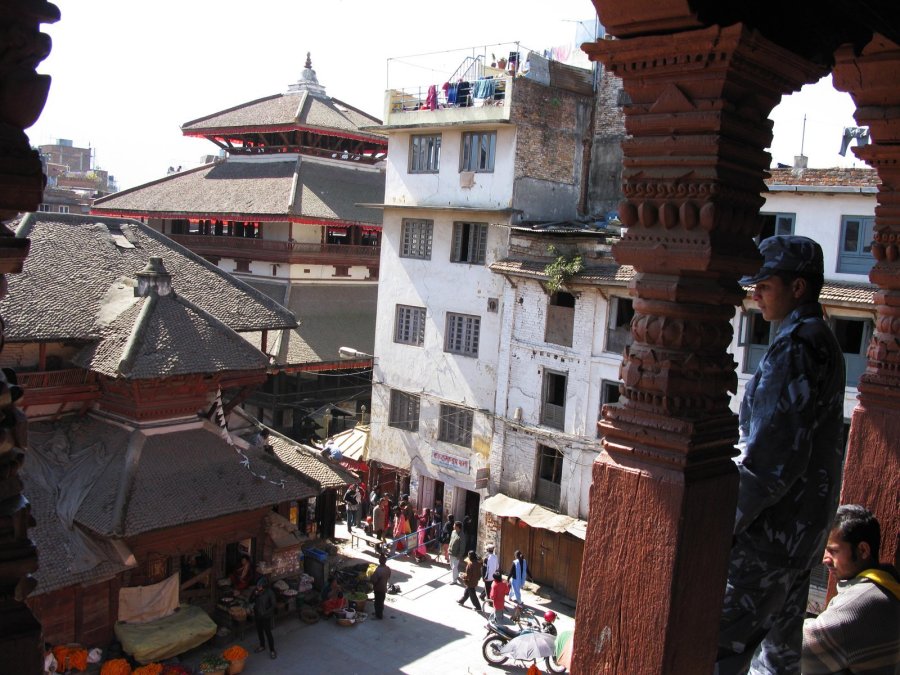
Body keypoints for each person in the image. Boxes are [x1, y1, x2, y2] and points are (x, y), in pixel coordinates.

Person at [716, 236, 847, 675]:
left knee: (714, 649)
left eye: (765, 286)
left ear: (797, 289)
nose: (755, 296)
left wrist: (721, 526)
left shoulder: (798, 347)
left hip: (769, 540)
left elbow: (770, 464)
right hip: (802, 535)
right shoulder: (821, 339)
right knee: (777, 660)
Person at [802, 505, 900, 674]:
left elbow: (800, 645)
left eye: (833, 551)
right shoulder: (888, 586)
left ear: (863, 550)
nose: (825, 559)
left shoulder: (860, 602)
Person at [251, 577, 277, 659]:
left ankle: (272, 650)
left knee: (268, 632)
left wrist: (265, 612)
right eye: (258, 586)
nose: (258, 587)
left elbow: (273, 605)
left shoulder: (270, 593)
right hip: (257, 615)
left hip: (266, 616)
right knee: (259, 631)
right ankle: (262, 645)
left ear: (264, 586)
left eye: (260, 586)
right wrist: (254, 595)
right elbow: (250, 600)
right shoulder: (256, 591)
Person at [370, 554, 392, 620]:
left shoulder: (378, 570)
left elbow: (374, 580)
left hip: (378, 588)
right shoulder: (388, 569)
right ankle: (379, 613)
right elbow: (389, 576)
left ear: (379, 561)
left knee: (377, 602)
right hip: (384, 588)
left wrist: (371, 577)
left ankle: (378, 615)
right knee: (381, 601)